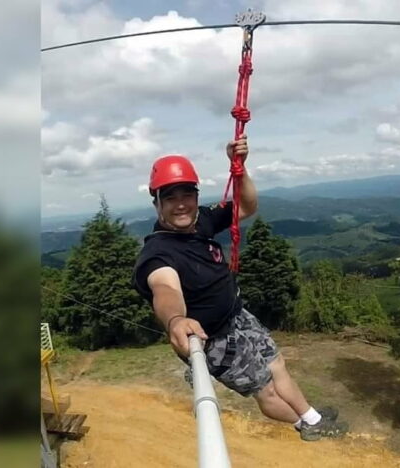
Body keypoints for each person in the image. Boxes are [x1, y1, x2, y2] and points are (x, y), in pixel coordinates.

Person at [132, 135, 348, 441]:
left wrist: (240, 167)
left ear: (196, 196)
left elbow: (247, 206)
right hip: (214, 340)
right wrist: (176, 320)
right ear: (157, 204)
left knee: (277, 364)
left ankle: (311, 416)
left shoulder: (200, 221)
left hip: (237, 314)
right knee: (266, 389)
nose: (180, 204)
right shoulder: (157, 254)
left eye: (187, 194)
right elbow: (165, 289)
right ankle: (306, 427)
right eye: (169, 198)